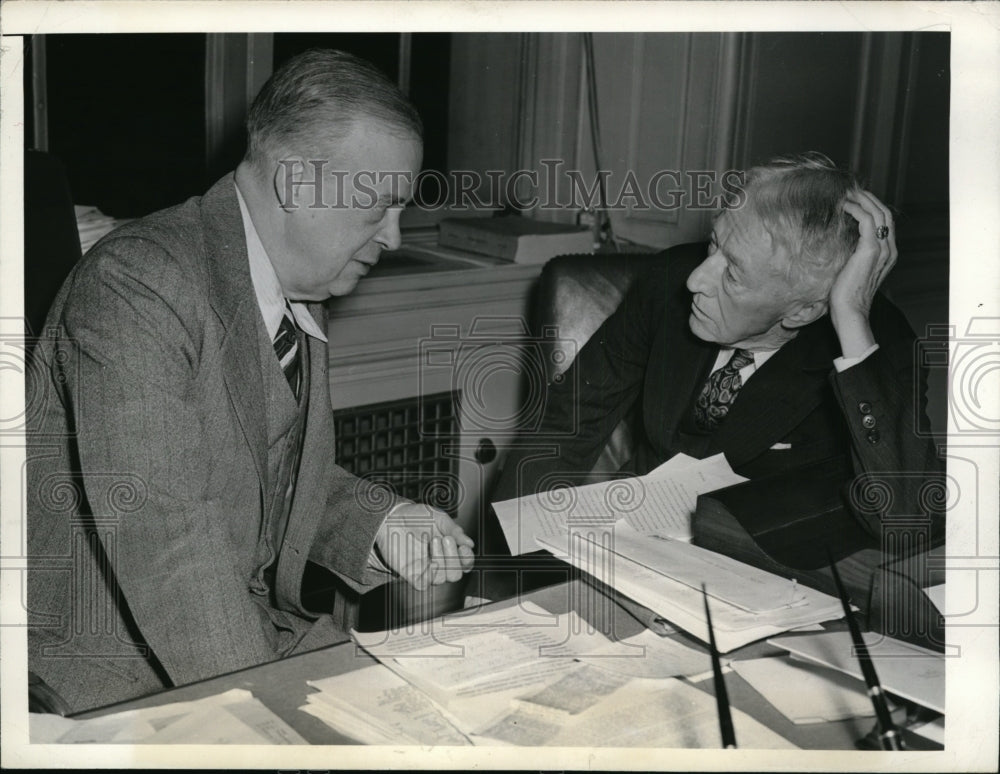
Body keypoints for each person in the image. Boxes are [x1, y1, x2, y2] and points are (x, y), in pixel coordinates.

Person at [26, 49, 474, 714]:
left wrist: (381, 521)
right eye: (379, 206)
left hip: (244, 635)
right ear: (296, 182)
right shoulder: (137, 284)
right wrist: (271, 716)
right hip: (108, 676)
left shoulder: (292, 289)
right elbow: (171, 540)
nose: (394, 234)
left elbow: (256, 474)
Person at [492, 153, 943, 559]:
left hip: (764, 574)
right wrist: (498, 580)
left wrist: (850, 320)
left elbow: (910, 521)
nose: (696, 281)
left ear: (804, 309)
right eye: (714, 245)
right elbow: (566, 425)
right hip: (629, 547)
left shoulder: (875, 346)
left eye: (734, 274)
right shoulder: (669, 278)